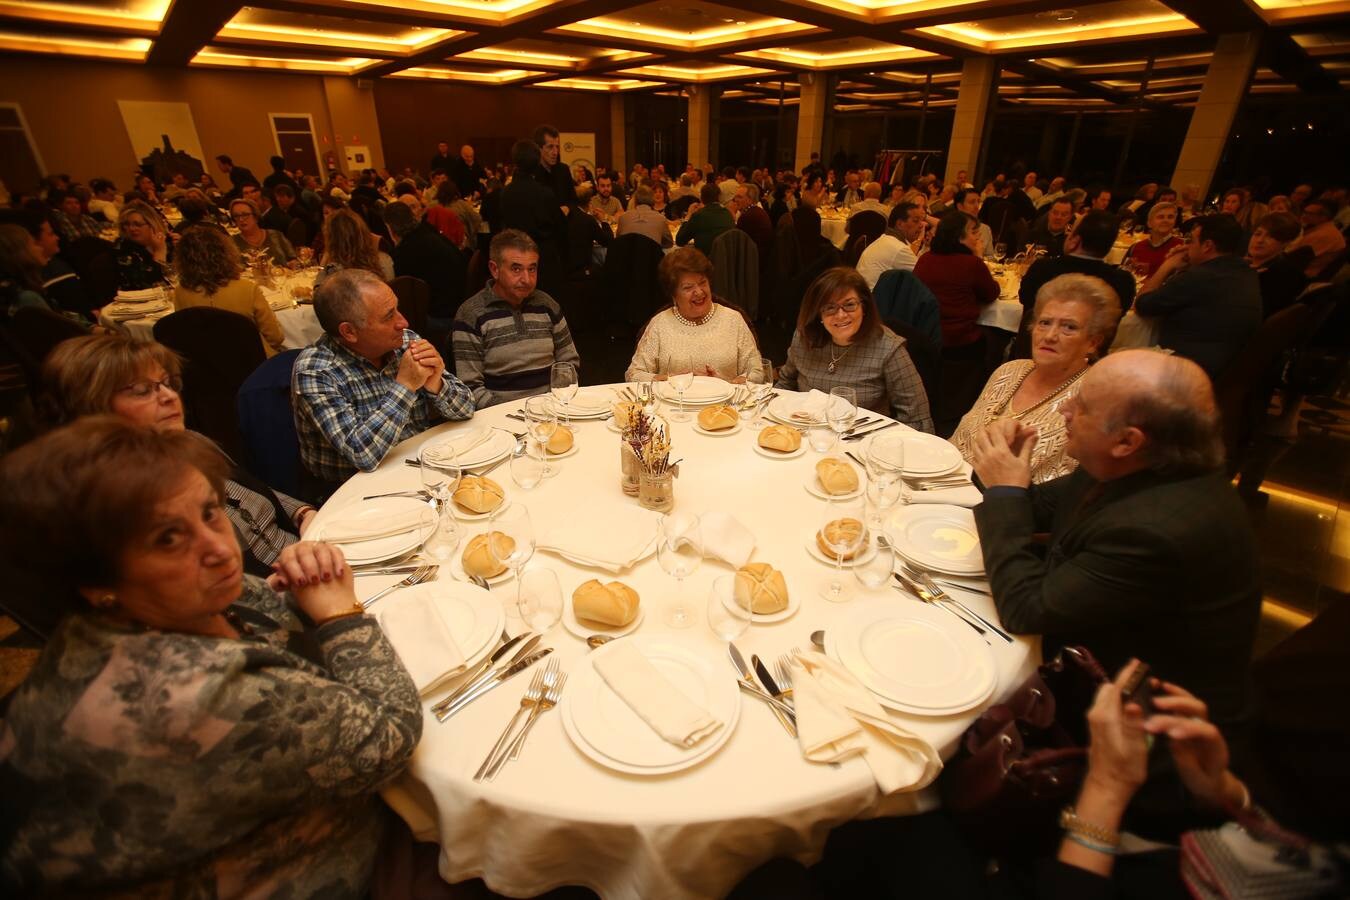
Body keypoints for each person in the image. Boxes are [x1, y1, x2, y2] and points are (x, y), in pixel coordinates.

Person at [0, 417, 420, 897]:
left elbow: (259, 610)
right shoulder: (189, 695)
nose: (220, 549)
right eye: (168, 539)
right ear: (96, 583)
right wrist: (341, 614)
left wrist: (300, 595)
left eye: (209, 512)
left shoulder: (135, 611)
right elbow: (393, 735)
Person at [969, 349, 1260, 732]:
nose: (1064, 409)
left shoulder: (1158, 530)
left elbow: (1026, 609)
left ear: (1126, 440)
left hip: (1140, 720)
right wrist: (1003, 467)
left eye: (1083, 405)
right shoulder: (1139, 463)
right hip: (1090, 640)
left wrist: (1005, 489)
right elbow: (1029, 504)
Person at [39, 334, 315, 576]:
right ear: (92, 406)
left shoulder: (188, 441)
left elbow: (255, 490)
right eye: (142, 390)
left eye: (167, 383)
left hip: (305, 552)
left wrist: (303, 513)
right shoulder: (123, 499)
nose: (169, 396)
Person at [293, 268, 473, 490]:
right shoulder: (316, 372)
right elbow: (363, 455)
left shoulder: (404, 341)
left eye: (397, 308)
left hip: (422, 469)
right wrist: (405, 386)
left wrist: (437, 384)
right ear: (349, 332)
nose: (403, 322)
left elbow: (466, 409)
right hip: (354, 492)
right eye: (389, 316)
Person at [951, 274, 1121, 484]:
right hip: (941, 487)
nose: (1049, 335)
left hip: (1010, 508)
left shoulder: (1092, 399)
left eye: (1069, 327)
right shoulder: (1009, 371)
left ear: (1093, 343)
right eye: (1045, 322)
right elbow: (957, 441)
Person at [776, 267, 933, 431]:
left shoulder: (888, 348)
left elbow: (917, 418)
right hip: (805, 436)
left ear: (864, 307)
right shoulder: (805, 338)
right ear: (818, 314)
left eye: (849, 305)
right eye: (830, 308)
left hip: (861, 442)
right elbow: (785, 384)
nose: (841, 315)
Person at [452, 229, 580, 409]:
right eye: (516, 269)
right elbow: (470, 388)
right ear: (494, 269)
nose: (526, 279)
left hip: (551, 410)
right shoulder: (471, 314)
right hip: (499, 418)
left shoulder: (547, 305)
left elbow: (569, 363)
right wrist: (518, 413)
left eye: (532, 269)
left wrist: (552, 405)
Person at [1135, 214, 1262, 378]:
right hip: (1226, 365)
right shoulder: (1246, 272)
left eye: (1192, 241)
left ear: (1207, 246)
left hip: (1186, 367)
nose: (1187, 246)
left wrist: (1168, 265)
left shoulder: (1202, 276)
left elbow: (1142, 305)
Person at [625, 247, 762, 382]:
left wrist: (725, 383)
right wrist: (670, 380)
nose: (699, 292)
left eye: (703, 283)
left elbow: (757, 372)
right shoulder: (659, 324)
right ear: (674, 295)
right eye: (688, 287)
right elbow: (634, 374)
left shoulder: (733, 320)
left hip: (725, 404)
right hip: (674, 402)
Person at [172, 226, 285, 356]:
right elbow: (275, 337)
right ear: (226, 253)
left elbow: (183, 336)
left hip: (205, 367)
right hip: (253, 364)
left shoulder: (180, 292)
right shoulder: (247, 289)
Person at [914, 211, 999, 349]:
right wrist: (978, 256)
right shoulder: (972, 264)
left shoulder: (924, 259)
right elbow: (991, 294)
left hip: (926, 337)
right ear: (959, 237)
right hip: (959, 340)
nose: (978, 237)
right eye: (973, 232)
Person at [383, 199, 466, 329]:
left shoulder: (405, 252)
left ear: (389, 228)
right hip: (462, 303)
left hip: (444, 317)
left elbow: (405, 296)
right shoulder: (427, 231)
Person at [502, 139, 566, 295]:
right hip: (543, 260)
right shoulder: (545, 194)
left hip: (515, 259)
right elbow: (561, 229)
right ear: (537, 162)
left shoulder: (505, 193)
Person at [1246, 211, 1308, 318]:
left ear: (1286, 242)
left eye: (1271, 237)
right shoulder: (1249, 263)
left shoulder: (1285, 275)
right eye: (1258, 234)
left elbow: (1255, 313)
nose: (1260, 240)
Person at [314, 208, 394, 288]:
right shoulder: (385, 260)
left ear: (331, 240)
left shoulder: (335, 272)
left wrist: (327, 254)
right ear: (363, 232)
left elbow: (317, 295)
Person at [856, 201, 926, 290]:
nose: (921, 225)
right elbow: (925, 276)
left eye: (921, 221)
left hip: (864, 293)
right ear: (900, 224)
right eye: (916, 221)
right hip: (873, 300)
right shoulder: (898, 248)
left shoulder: (886, 239)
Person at [113, 200, 171, 290]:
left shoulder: (164, 241)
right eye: (127, 224)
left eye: (137, 224)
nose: (131, 228)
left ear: (152, 224)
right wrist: (159, 252)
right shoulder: (123, 248)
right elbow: (149, 284)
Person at [229, 198, 297, 268]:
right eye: (236, 216)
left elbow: (293, 257)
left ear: (255, 216)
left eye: (245, 214)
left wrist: (293, 263)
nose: (241, 219)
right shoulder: (232, 243)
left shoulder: (275, 235)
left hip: (282, 277)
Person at [1286, 198, 1345, 278]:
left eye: (1308, 213)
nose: (1303, 215)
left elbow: (1291, 255)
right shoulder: (1320, 227)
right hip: (1294, 267)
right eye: (1304, 211)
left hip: (1297, 274)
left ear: (1323, 217)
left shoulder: (1325, 234)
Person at [1120, 201, 1181, 278]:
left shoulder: (1180, 248)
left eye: (1170, 217)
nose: (1166, 220)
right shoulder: (1135, 247)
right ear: (1149, 223)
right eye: (1160, 217)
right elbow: (1123, 275)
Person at [677, 182, 734, 257]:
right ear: (719, 197)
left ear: (701, 198)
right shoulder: (728, 214)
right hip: (726, 259)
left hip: (705, 261)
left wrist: (688, 215)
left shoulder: (698, 216)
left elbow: (680, 241)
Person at [532, 124, 578, 211]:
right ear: (539, 148)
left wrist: (567, 208)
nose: (555, 152)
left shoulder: (563, 170)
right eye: (550, 147)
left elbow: (574, 200)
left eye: (557, 147)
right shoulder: (532, 173)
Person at [617, 185, 673, 249]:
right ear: (652, 200)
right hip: (652, 257)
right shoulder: (661, 219)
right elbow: (669, 243)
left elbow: (618, 239)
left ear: (635, 201)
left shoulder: (623, 217)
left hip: (626, 257)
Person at [953, 189, 995, 259]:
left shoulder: (985, 229)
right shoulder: (950, 227)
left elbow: (990, 257)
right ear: (960, 206)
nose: (977, 206)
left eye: (978, 202)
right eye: (972, 202)